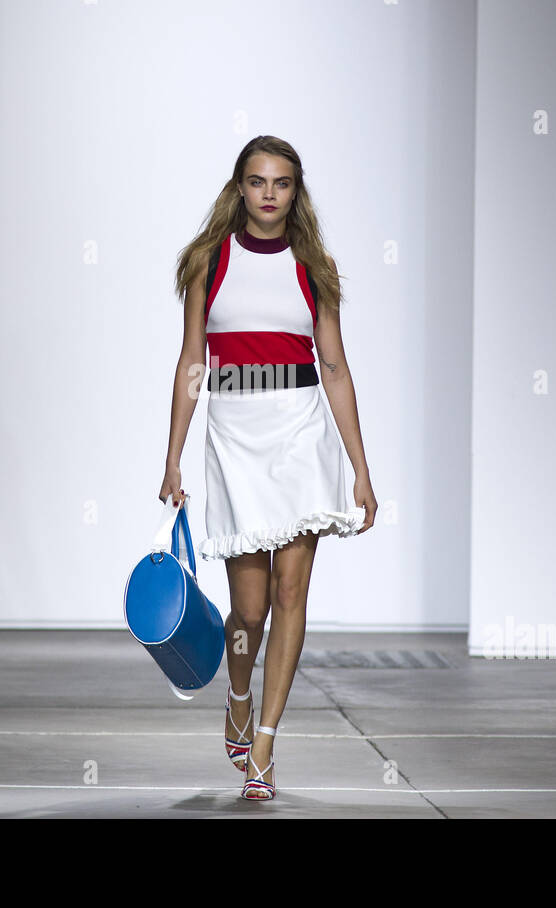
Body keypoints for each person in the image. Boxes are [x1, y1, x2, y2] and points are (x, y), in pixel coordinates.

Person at [158, 135, 378, 801]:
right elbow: (193, 361)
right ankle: (238, 694)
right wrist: (172, 455)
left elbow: (334, 367)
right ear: (241, 187)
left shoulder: (316, 266)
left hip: (301, 431)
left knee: (290, 595)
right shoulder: (209, 262)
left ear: (295, 191)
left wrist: (362, 470)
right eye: (258, 181)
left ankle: (266, 745)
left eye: (281, 182)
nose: (269, 193)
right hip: (236, 435)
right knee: (247, 613)